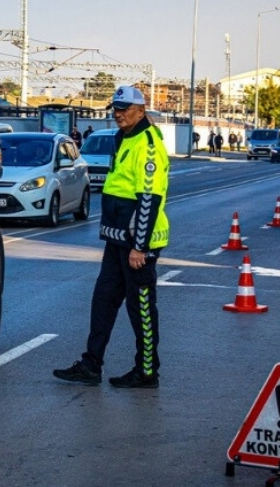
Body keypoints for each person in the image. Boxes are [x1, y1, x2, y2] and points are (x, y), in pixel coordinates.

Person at [54, 85, 170, 389]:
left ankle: (147, 372)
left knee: (140, 307)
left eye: (125, 109)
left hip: (137, 244)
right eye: (115, 109)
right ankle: (91, 365)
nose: (118, 114)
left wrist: (139, 246)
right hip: (118, 239)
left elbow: (149, 196)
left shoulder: (147, 144)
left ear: (141, 111)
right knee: (103, 301)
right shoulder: (124, 138)